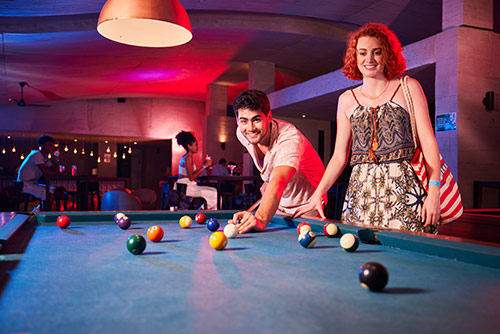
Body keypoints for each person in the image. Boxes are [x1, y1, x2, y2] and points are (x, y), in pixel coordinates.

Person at [294, 23, 441, 233]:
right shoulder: (346, 99)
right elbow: (338, 157)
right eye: (362, 53)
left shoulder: (409, 87)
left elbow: (428, 143)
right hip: (359, 196)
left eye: (377, 52)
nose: (369, 59)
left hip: (405, 193)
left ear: (388, 55)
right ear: (355, 57)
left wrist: (434, 192)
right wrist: (318, 194)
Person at [229, 89, 327, 233]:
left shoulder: (289, 138)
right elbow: (274, 167)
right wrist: (268, 180)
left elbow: (279, 180)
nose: (250, 128)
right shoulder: (242, 133)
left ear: (268, 117)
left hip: (306, 205)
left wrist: (260, 218)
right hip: (280, 204)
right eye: (243, 121)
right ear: (238, 121)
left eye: (256, 120)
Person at [17, 135, 61, 211]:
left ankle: (37, 212)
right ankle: (42, 214)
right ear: (42, 145)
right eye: (49, 145)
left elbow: (53, 169)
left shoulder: (45, 158)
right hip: (25, 184)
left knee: (53, 190)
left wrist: (57, 161)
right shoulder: (36, 154)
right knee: (49, 195)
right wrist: (58, 173)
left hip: (33, 183)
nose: (51, 147)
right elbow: (45, 172)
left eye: (52, 145)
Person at [175, 131, 218, 210]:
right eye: (196, 145)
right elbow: (191, 177)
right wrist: (205, 166)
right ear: (189, 146)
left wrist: (204, 165)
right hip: (186, 187)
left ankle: (201, 211)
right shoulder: (188, 158)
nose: (197, 147)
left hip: (187, 186)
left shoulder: (187, 157)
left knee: (214, 191)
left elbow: (192, 174)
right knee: (214, 193)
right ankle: (200, 212)